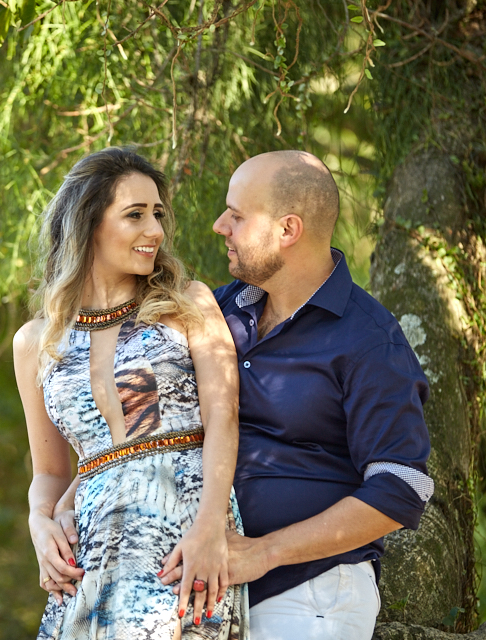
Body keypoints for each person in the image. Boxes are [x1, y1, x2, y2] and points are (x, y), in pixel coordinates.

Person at [163, 150, 434, 639]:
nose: (219, 225)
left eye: (237, 215)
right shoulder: (220, 311)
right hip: (206, 593)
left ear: (287, 230)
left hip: (308, 597)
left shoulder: (369, 339)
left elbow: (400, 489)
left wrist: (265, 552)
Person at [12, 147, 249, 640]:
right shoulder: (37, 342)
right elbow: (51, 473)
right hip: (91, 547)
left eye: (158, 214)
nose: (156, 232)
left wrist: (210, 527)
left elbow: (224, 419)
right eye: (135, 215)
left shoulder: (187, 304)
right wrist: (39, 524)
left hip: (182, 533)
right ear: (88, 224)